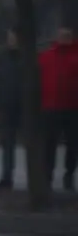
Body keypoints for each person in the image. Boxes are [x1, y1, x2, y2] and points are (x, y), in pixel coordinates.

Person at [38, 25, 78, 191]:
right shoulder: (46, 57)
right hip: (51, 107)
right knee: (49, 145)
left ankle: (69, 174)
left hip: (72, 108)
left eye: (68, 35)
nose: (65, 38)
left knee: (73, 145)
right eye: (62, 35)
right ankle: (47, 176)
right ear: (57, 37)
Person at [0, 28, 23, 190]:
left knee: (32, 144)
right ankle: (6, 177)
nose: (11, 40)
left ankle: (40, 178)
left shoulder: (27, 55)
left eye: (14, 37)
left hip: (24, 107)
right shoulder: (1, 56)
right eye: (9, 37)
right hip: (6, 106)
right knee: (7, 145)